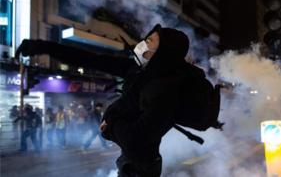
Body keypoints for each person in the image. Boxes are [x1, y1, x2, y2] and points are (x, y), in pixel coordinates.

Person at [17, 24, 195, 176]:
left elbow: (136, 139)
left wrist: (110, 125)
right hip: (128, 161)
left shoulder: (167, 91)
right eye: (145, 39)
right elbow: (90, 59)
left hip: (142, 168)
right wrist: (42, 47)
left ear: (163, 52)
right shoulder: (137, 70)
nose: (142, 43)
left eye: (149, 41)